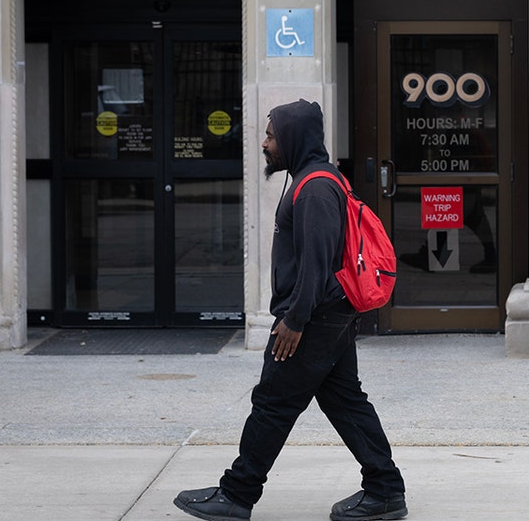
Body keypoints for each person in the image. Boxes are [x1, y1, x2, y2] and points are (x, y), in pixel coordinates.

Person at [174, 99, 407, 521]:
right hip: (328, 314)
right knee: (345, 402)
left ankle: (236, 494)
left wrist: (294, 320)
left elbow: (317, 264)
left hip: (312, 318)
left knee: (272, 403)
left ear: (293, 138)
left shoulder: (315, 187)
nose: (265, 144)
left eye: (271, 136)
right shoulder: (313, 179)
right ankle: (386, 489)